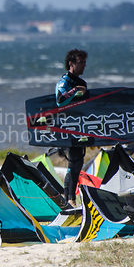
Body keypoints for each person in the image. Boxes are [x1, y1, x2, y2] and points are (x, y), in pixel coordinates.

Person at [55, 49, 88, 208]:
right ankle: (69, 199)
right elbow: (60, 100)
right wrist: (75, 91)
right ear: (71, 63)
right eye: (80, 62)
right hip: (66, 128)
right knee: (74, 162)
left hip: (79, 128)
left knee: (78, 162)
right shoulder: (64, 81)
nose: (84, 65)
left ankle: (68, 198)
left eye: (84, 62)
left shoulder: (83, 83)